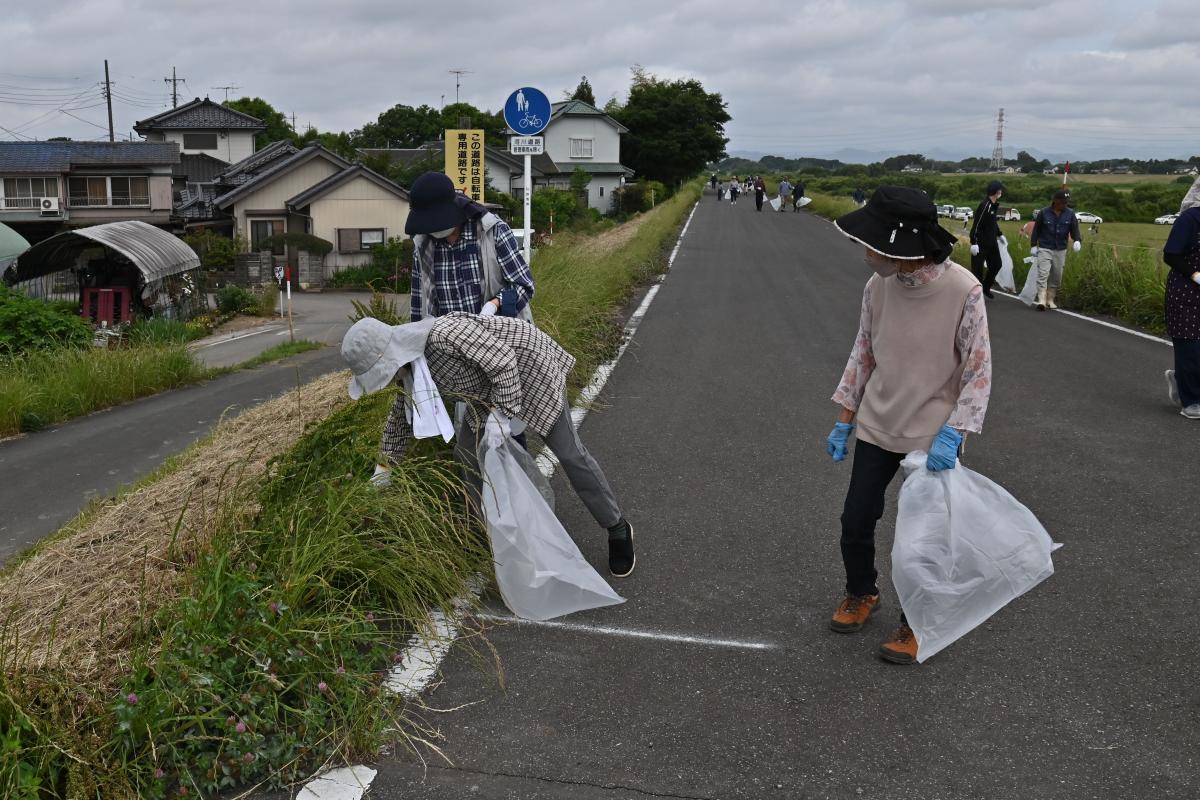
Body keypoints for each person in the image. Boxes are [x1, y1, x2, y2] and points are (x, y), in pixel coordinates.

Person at [825, 186, 992, 665]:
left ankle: (917, 620)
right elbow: (864, 351)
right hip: (879, 421)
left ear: (904, 246)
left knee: (922, 537)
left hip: (934, 433)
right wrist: (844, 419)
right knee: (856, 518)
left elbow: (979, 369)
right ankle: (862, 591)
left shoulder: (964, 289)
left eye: (874, 243)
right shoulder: (877, 287)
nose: (867, 252)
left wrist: (954, 431)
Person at [342, 313, 637, 577]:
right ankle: (481, 536)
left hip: (530, 369)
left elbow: (505, 361)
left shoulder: (444, 336)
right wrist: (384, 465)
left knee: (570, 454)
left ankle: (617, 528)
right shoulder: (408, 370)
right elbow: (401, 416)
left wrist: (502, 413)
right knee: (467, 454)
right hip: (485, 394)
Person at [406, 172, 535, 322]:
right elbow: (417, 306)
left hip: (498, 334)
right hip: (448, 340)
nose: (433, 227)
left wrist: (495, 305)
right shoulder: (423, 247)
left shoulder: (493, 232)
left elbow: (524, 285)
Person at [1162, 175, 1200, 420]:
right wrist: (1194, 274)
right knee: (1190, 348)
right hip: (1185, 293)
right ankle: (1192, 401)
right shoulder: (1190, 219)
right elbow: (1171, 254)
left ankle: (1182, 380)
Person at [1028, 188, 1082, 311]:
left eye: (1066, 202)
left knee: (1057, 275)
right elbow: (1036, 230)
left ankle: (1050, 299)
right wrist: (1033, 245)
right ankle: (1041, 300)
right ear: (1056, 201)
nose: (1065, 204)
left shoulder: (1070, 214)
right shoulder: (1043, 213)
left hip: (1060, 249)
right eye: (1063, 202)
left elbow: (1074, 229)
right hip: (1045, 247)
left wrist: (1077, 240)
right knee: (1043, 273)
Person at [968, 180, 1005, 299]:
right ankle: (976, 294)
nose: (1001, 192)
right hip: (980, 243)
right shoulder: (985, 205)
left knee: (996, 264)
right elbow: (977, 224)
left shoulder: (994, 205)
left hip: (991, 243)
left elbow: (992, 223)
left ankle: (986, 287)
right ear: (996, 191)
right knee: (977, 270)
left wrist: (999, 234)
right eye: (1000, 190)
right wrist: (974, 242)